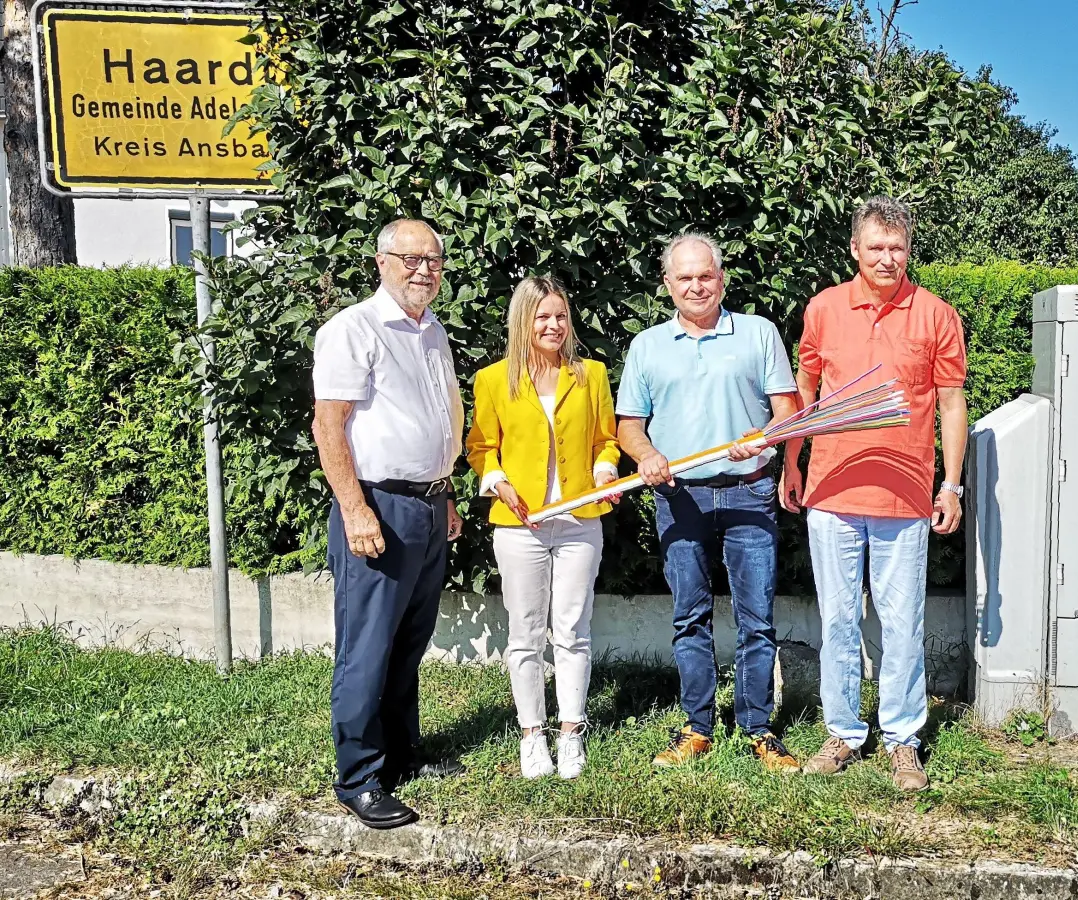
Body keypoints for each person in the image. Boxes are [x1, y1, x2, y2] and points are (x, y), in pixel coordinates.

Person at [782, 197, 969, 791]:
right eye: (877, 247)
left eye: (898, 248)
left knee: (901, 620)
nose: (888, 258)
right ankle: (841, 733)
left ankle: (902, 741)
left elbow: (951, 403)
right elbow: (804, 391)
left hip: (906, 496)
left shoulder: (936, 315)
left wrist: (952, 485)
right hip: (832, 490)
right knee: (837, 619)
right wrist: (792, 462)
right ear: (855, 251)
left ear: (908, 252)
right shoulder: (824, 309)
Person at [616, 232, 802, 774]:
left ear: (722, 279)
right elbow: (630, 426)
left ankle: (758, 728)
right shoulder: (647, 346)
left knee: (756, 619)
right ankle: (697, 727)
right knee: (688, 617)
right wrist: (647, 455)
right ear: (667, 285)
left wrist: (766, 435)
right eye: (684, 278)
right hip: (680, 496)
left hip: (749, 492)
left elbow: (788, 410)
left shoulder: (758, 333)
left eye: (706, 276)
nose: (696, 286)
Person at [311, 218, 467, 829]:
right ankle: (358, 776)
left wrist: (445, 494)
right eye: (411, 259)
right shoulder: (353, 329)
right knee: (367, 647)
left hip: (428, 505)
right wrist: (354, 510)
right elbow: (329, 427)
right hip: (379, 505)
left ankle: (403, 753)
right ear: (381, 262)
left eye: (433, 260)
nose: (424, 270)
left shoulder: (432, 333)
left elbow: (436, 422)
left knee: (410, 640)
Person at [466, 276, 621, 781]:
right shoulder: (493, 380)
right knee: (526, 633)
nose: (554, 326)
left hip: (580, 521)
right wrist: (496, 480)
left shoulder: (591, 374)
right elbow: (481, 447)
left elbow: (605, 441)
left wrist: (605, 472)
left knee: (572, 630)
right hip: (520, 524)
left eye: (560, 316)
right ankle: (532, 735)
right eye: (542, 317)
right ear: (523, 321)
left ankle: (571, 731)